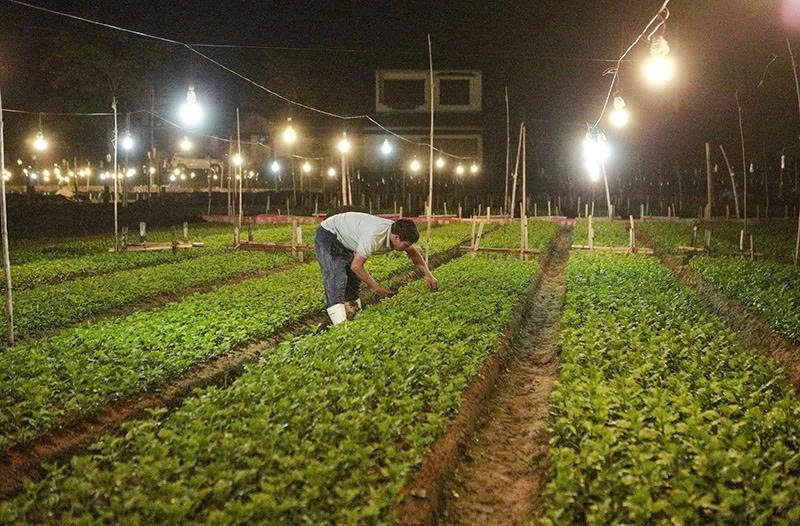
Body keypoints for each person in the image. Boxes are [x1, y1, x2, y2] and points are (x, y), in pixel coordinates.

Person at [315, 212, 438, 325]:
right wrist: (377, 288)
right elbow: (356, 266)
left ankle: (355, 316)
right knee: (336, 277)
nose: (407, 248)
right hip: (330, 233)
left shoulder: (397, 232)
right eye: (405, 245)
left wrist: (428, 275)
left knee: (353, 280)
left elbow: (413, 254)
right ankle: (341, 327)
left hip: (345, 236)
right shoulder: (374, 236)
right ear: (395, 238)